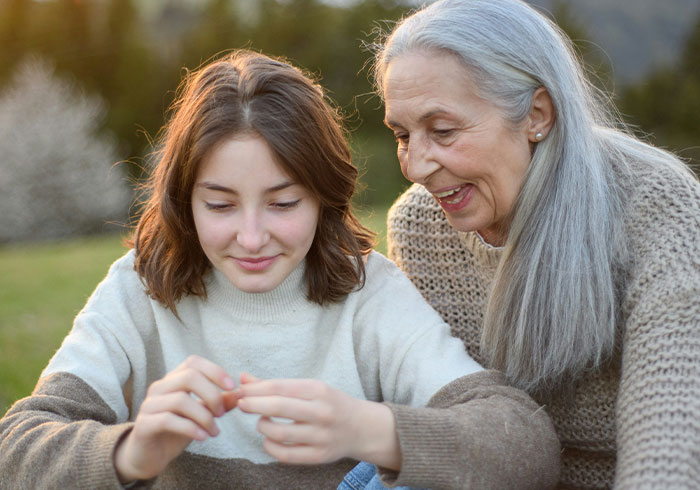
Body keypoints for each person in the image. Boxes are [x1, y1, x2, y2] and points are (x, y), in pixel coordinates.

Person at [0, 50, 560, 489]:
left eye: (283, 203)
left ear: (324, 198)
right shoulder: (139, 288)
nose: (250, 237)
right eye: (219, 205)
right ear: (184, 202)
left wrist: (367, 429)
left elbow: (525, 446)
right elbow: (17, 449)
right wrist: (133, 450)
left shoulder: (369, 293)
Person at [368, 0, 700, 488]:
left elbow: (672, 428)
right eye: (402, 135)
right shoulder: (418, 226)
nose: (416, 166)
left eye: (442, 131)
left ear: (536, 115)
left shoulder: (656, 203)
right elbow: (459, 427)